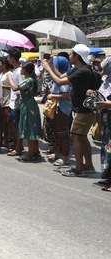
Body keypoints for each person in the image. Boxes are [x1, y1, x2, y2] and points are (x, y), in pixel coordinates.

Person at [43, 44, 100, 177]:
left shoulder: (83, 71)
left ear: (77, 56)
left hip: (84, 110)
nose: (69, 56)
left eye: (71, 54)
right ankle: (89, 166)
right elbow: (61, 76)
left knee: (75, 137)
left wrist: (46, 68)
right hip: (83, 109)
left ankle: (79, 169)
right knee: (82, 137)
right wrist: (51, 65)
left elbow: (58, 82)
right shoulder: (78, 69)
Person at [7, 61, 42, 161]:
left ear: (25, 70)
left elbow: (14, 88)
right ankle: (35, 151)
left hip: (28, 106)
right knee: (33, 128)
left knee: (30, 128)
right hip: (29, 104)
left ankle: (31, 153)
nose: (20, 70)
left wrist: (9, 77)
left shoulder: (28, 80)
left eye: (22, 68)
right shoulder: (30, 80)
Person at [43, 56, 72, 166]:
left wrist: (52, 96)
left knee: (63, 133)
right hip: (56, 108)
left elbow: (64, 95)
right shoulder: (59, 77)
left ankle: (64, 156)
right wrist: (50, 64)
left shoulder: (64, 80)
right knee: (57, 132)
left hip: (62, 108)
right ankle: (58, 153)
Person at [93, 57, 111, 190]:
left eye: (104, 67)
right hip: (106, 121)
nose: (102, 70)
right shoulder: (106, 80)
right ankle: (109, 177)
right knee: (107, 148)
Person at [6, 48, 25, 156]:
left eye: (9, 57)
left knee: (17, 126)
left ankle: (19, 147)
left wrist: (9, 78)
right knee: (13, 125)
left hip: (17, 103)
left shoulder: (19, 72)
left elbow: (21, 87)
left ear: (13, 58)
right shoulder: (14, 71)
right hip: (12, 102)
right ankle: (17, 144)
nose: (8, 59)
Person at [0, 57, 13, 148]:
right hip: (1, 100)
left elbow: (13, 87)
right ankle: (5, 139)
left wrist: (2, 86)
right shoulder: (1, 74)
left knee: (7, 122)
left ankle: (8, 139)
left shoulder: (9, 74)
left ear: (4, 65)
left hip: (8, 100)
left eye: (0, 64)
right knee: (3, 122)